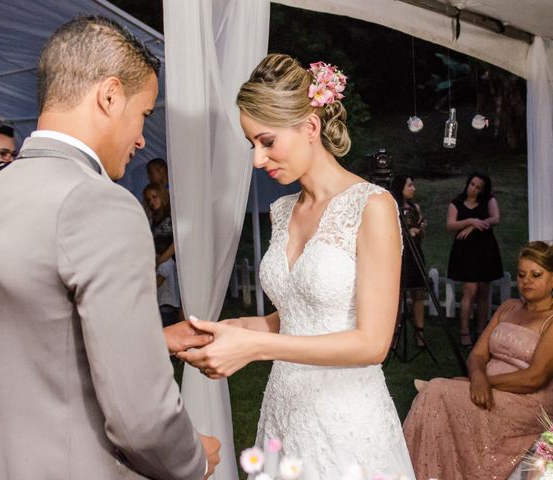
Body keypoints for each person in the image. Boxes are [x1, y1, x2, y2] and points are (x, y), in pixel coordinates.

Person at [0, 16, 219, 479]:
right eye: (144, 115)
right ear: (109, 95)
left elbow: (32, 334)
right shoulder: (99, 204)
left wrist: (150, 339)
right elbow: (141, 418)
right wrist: (193, 459)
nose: (139, 138)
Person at [178, 54, 416, 479]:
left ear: (310, 127)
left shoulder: (372, 207)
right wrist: (227, 331)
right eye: (251, 144)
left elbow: (372, 344)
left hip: (346, 423)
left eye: (266, 141)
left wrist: (257, 349)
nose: (257, 159)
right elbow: (292, 319)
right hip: (285, 411)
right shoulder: (283, 210)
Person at [403, 241, 553, 480]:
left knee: (435, 392)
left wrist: (483, 383)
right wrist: (476, 378)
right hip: (484, 386)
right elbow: (477, 354)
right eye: (522, 274)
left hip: (528, 400)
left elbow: (536, 377)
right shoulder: (508, 307)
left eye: (536, 275)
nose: (526, 281)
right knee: (435, 395)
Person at [446, 171, 504, 346]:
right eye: (472, 185)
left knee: (484, 291)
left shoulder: (489, 201)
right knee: (470, 290)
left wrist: (474, 226)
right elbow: (450, 224)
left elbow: (496, 218)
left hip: (485, 248)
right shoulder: (456, 203)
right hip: (465, 250)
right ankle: (464, 330)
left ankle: (481, 329)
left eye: (478, 187)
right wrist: (471, 221)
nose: (474, 189)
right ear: (467, 184)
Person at [390, 174, 428, 347]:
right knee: (396, 296)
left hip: (414, 255)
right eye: (410, 185)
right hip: (398, 255)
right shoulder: (392, 209)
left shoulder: (415, 208)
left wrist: (420, 230)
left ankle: (420, 333)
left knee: (417, 294)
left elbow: (422, 234)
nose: (413, 188)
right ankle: (394, 333)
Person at [144, 182, 180, 327]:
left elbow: (176, 242)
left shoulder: (172, 215)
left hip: (169, 263)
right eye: (149, 200)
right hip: (159, 261)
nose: (152, 202)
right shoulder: (154, 219)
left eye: (154, 197)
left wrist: (162, 259)